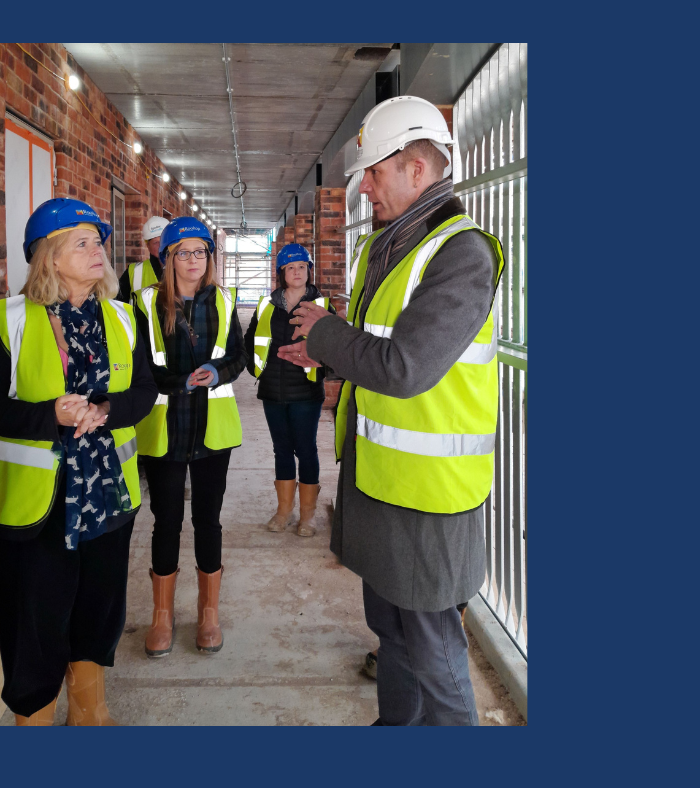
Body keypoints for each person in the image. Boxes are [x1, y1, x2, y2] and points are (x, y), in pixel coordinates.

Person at [281, 96, 505, 726]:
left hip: (429, 498)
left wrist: (327, 333)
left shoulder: (461, 256)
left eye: (373, 173)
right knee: (393, 633)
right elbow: (377, 352)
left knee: (434, 652)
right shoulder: (394, 246)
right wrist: (327, 361)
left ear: (414, 168)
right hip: (381, 483)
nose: (364, 190)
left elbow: (405, 367)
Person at [0, 197, 157, 726]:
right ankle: (35, 722)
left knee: (97, 612)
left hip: (106, 500)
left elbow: (143, 391)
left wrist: (107, 409)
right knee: (33, 623)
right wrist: (50, 415)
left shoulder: (125, 315)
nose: (99, 251)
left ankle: (90, 712)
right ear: (49, 256)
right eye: (84, 242)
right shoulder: (11, 320)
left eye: (99, 242)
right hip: (36, 511)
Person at [133, 217, 246, 657]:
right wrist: (179, 383)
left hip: (211, 429)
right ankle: (162, 617)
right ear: (168, 258)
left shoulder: (224, 299)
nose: (194, 260)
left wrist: (218, 371)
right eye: (184, 252)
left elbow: (238, 356)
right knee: (165, 522)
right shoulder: (144, 304)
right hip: (165, 428)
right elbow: (140, 367)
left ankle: (208, 614)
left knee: (208, 520)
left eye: (201, 252)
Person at [243, 243, 337, 536]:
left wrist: (320, 366)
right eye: (289, 267)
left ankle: (307, 516)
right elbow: (250, 341)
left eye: (301, 267)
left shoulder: (322, 306)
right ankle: (284, 510)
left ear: (309, 271)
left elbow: (335, 348)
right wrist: (258, 369)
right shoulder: (266, 306)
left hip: (305, 392)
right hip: (272, 390)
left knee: (306, 449)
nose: (296, 272)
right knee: (281, 450)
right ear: (281, 273)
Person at [117, 215, 169, 303]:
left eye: (164, 240)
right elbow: (117, 306)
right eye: (156, 242)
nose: (161, 246)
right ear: (148, 246)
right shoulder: (133, 272)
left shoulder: (185, 268)